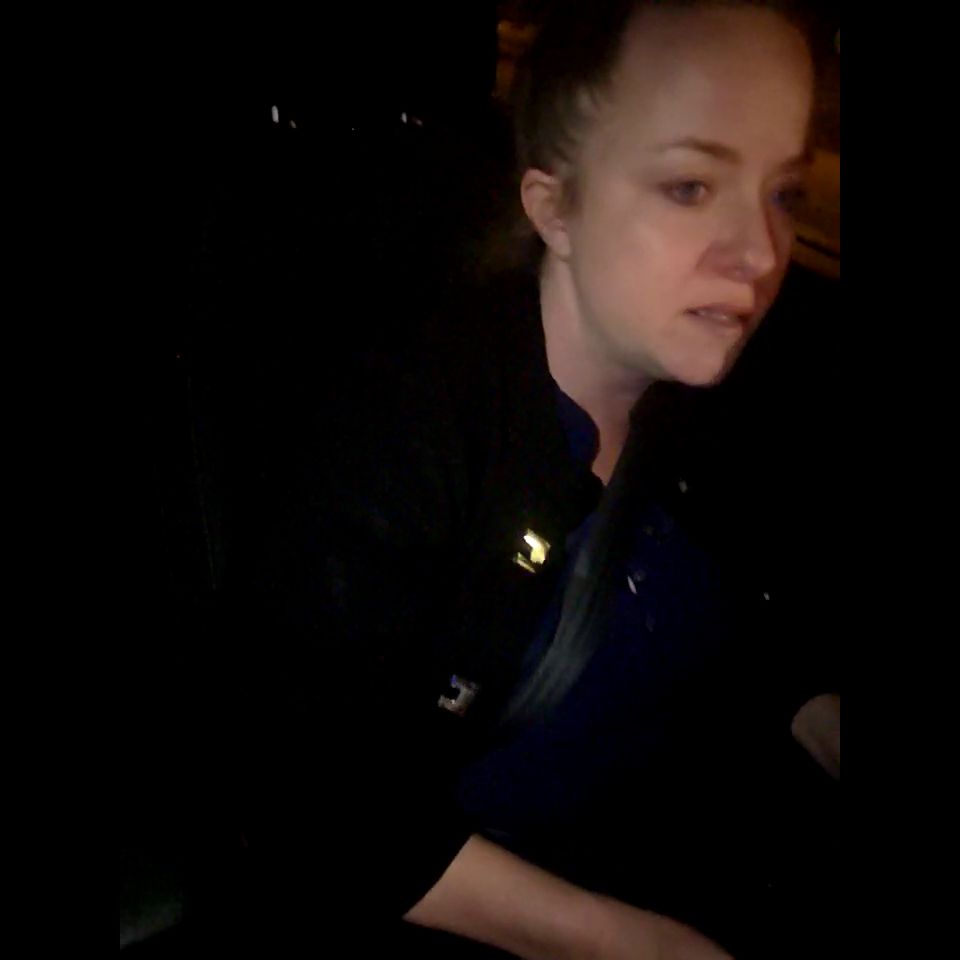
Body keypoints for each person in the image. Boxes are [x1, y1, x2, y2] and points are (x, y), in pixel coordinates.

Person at [218, 2, 839, 958]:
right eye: (689, 187)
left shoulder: (722, 399)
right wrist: (631, 945)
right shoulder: (406, 430)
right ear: (554, 207)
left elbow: (761, 641)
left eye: (784, 193)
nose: (760, 252)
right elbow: (316, 798)